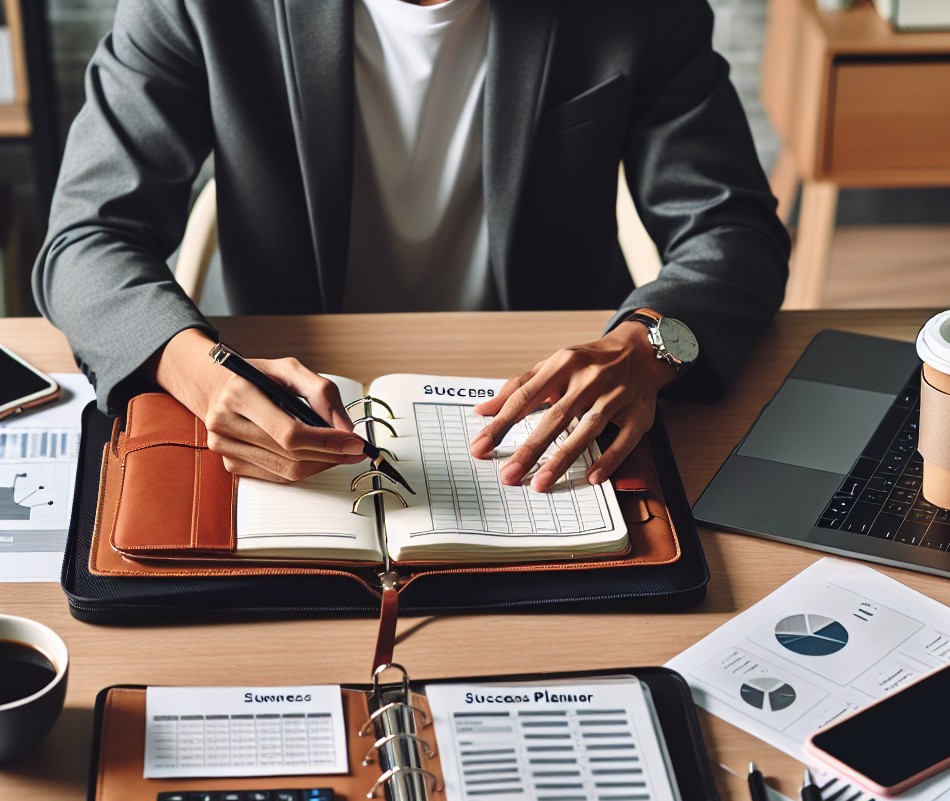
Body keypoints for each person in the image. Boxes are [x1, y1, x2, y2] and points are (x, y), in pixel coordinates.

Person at [33, 0, 790, 492]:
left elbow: (733, 230)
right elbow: (87, 235)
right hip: (289, 391)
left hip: (545, 408)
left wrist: (652, 346)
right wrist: (194, 370)